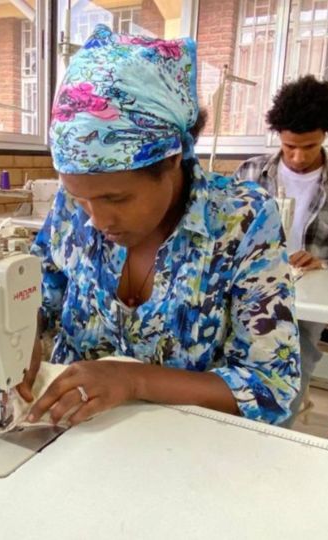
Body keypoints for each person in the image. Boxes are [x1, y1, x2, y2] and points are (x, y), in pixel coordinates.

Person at [17, 25, 300, 427]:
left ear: (171, 161)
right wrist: (23, 328)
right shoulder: (70, 207)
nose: (96, 220)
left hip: (184, 449)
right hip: (71, 431)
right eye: (81, 198)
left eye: (116, 198)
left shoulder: (243, 220)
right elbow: (39, 293)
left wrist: (133, 380)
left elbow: (271, 387)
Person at [233, 75, 328, 422]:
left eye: (308, 146)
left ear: (325, 133)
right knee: (235, 371)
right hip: (248, 292)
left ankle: (278, 437)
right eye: (289, 146)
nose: (296, 156)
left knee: (290, 374)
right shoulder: (250, 172)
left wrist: (321, 264)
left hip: (304, 301)